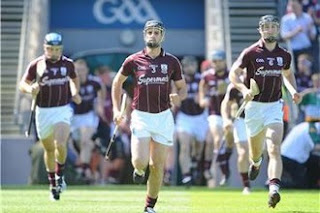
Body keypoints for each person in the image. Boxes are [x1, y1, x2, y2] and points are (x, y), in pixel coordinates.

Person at [111, 20, 187, 213]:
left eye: (157, 32)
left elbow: (183, 89)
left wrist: (178, 97)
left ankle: (149, 207)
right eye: (150, 32)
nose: (153, 35)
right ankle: (137, 170)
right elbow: (116, 84)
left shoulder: (172, 62)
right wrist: (115, 109)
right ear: (145, 35)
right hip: (141, 116)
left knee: (157, 165)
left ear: (162, 36)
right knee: (141, 162)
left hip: (163, 117)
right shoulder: (133, 60)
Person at [229, 15, 301, 208]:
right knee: (256, 152)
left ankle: (274, 189)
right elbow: (233, 73)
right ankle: (256, 162)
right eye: (265, 27)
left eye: (272, 27)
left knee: (274, 148)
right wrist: (243, 90)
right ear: (260, 30)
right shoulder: (251, 52)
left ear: (277, 29)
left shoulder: (284, 55)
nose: (269, 30)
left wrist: (293, 91)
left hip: (274, 106)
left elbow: (287, 74)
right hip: (254, 108)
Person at [19, 32, 81, 201]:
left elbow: (74, 79)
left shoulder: (68, 64)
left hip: (62, 109)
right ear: (45, 48)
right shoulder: (36, 65)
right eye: (50, 49)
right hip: (43, 111)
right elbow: (22, 84)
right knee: (49, 149)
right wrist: (30, 89)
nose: (54, 52)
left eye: (57, 49)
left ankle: (60, 176)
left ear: (61, 49)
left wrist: (75, 92)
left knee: (60, 143)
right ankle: (53, 183)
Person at [71, 59, 105, 183]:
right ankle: (89, 170)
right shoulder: (71, 83)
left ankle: (83, 169)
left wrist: (100, 106)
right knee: (85, 145)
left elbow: (102, 91)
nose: (79, 73)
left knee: (86, 139)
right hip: (74, 118)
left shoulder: (94, 83)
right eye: (77, 70)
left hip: (89, 116)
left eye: (82, 70)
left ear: (87, 70)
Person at [198, 50, 230, 188]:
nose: (215, 64)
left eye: (218, 61)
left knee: (228, 143)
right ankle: (224, 171)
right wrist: (203, 99)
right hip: (214, 112)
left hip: (229, 115)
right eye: (214, 61)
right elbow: (201, 94)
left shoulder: (231, 75)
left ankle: (222, 162)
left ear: (224, 61)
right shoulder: (207, 76)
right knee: (216, 139)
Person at [175, 56, 208, 186]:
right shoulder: (179, 81)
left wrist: (202, 99)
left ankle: (195, 162)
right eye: (187, 66)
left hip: (200, 117)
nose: (190, 68)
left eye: (192, 65)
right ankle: (186, 175)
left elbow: (206, 96)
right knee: (185, 145)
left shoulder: (202, 79)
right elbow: (175, 99)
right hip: (185, 117)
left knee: (199, 146)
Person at [220, 81, 251, 194]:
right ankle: (246, 185)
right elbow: (225, 104)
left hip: (260, 118)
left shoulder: (261, 79)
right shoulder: (234, 86)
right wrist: (226, 120)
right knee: (242, 153)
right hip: (241, 120)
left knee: (257, 153)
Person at [281, 121, 320, 189]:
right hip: (291, 158)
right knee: (302, 185)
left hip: (286, 155)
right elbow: (316, 146)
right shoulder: (313, 130)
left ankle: (313, 184)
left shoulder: (307, 125)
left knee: (315, 160)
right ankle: (277, 184)